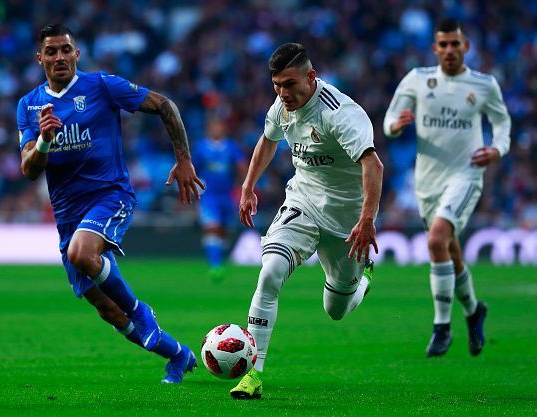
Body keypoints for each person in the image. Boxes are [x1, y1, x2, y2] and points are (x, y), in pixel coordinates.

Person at [17, 24, 205, 383]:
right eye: (52, 51)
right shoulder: (29, 105)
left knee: (82, 254)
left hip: (110, 196)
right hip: (68, 215)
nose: (60, 57)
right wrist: (43, 141)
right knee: (107, 310)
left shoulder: (101, 86)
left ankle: (141, 310)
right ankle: (178, 355)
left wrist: (183, 159)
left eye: (66, 49)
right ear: (39, 58)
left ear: (77, 54)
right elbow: (28, 169)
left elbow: (164, 104)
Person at [230, 43, 384, 399]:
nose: (283, 93)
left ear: (311, 77)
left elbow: (373, 165)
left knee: (336, 310)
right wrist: (249, 186)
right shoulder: (281, 106)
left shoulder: (340, 113)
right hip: (303, 203)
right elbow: (267, 142)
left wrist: (367, 219)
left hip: (347, 222)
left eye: (290, 84)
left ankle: (363, 282)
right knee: (269, 272)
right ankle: (254, 374)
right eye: (277, 86)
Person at [383, 19, 511, 357]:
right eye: (444, 45)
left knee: (437, 239)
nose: (450, 50)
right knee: (449, 249)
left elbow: (502, 123)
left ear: (465, 46)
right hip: (427, 181)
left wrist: (498, 148)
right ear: (435, 48)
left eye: (456, 44)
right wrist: (396, 125)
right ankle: (473, 309)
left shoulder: (483, 85)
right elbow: (389, 119)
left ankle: (441, 327)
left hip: (465, 174)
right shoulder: (418, 80)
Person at [192, 118, 247, 281]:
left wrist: (244, 186)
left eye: (219, 125)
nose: (217, 129)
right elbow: (193, 168)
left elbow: (242, 165)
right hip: (208, 196)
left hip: (226, 195)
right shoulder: (201, 147)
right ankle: (215, 266)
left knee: (223, 232)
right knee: (212, 227)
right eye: (214, 126)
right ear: (208, 129)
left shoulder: (230, 146)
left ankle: (218, 259)